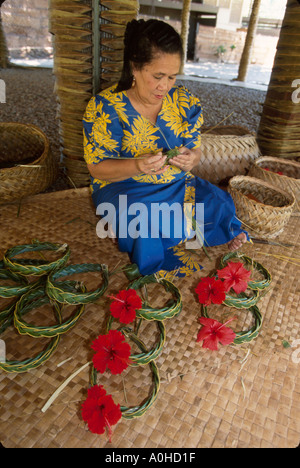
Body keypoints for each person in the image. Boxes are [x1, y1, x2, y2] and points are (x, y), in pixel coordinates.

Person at [83, 19, 247, 279]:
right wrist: (137, 165)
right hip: (126, 187)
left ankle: (185, 230)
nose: (165, 86)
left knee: (218, 201)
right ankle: (149, 246)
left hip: (176, 183)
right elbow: (97, 168)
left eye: (172, 77)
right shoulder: (106, 108)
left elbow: (195, 150)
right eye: (157, 76)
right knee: (138, 221)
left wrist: (191, 159)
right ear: (134, 68)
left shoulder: (184, 102)